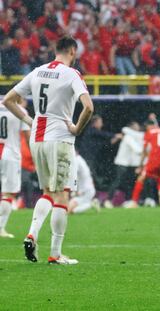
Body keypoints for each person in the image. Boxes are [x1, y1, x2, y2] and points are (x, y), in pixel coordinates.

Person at [2, 36, 94, 264]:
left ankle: (32, 234)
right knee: (62, 194)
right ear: (72, 51)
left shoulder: (38, 71)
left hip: (37, 140)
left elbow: (9, 100)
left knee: (47, 192)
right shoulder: (71, 74)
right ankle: (55, 253)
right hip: (60, 140)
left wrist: (29, 120)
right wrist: (75, 128)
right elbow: (89, 107)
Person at [0, 100, 31, 238]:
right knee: (9, 193)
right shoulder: (20, 111)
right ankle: (1, 228)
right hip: (10, 153)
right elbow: (28, 137)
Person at [129, 120, 160, 208]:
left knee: (141, 178)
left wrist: (140, 165)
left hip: (154, 160)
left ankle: (134, 202)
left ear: (148, 126)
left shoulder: (149, 132)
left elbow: (145, 150)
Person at [104, 121, 144, 208]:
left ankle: (128, 200)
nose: (138, 128)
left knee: (127, 183)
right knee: (117, 182)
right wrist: (145, 153)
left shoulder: (131, 136)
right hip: (121, 163)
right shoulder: (129, 137)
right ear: (132, 128)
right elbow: (136, 149)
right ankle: (108, 201)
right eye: (136, 126)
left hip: (127, 164)